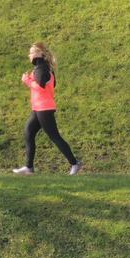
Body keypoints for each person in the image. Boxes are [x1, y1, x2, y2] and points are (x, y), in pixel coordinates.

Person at [12, 42, 82, 175]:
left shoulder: (41, 69)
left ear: (39, 54)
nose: (29, 54)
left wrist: (27, 80)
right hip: (39, 108)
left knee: (54, 136)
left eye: (32, 52)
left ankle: (75, 163)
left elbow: (40, 87)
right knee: (29, 132)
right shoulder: (45, 68)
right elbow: (51, 85)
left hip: (44, 108)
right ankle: (29, 167)